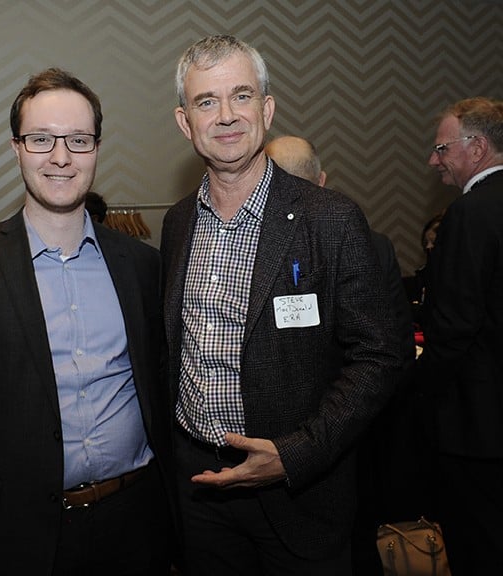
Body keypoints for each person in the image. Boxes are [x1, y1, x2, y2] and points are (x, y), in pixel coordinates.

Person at [0, 67, 173, 576]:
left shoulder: (141, 265)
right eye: (41, 139)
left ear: (96, 148)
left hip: (137, 520)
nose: (60, 157)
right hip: (19, 530)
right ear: (16, 148)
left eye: (78, 139)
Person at [161, 35, 401, 575]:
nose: (226, 115)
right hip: (200, 491)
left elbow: (380, 357)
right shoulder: (177, 223)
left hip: (301, 494)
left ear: (266, 110)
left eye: (241, 96)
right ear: (185, 122)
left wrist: (296, 454)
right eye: (206, 101)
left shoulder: (330, 218)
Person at [267, 135, 420, 574]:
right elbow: (397, 348)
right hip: (342, 430)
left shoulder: (368, 242)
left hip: (334, 436)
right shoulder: (375, 241)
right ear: (323, 180)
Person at [422, 96, 503, 574]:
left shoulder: (470, 214)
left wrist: (421, 392)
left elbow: (453, 326)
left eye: (442, 148)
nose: (434, 161)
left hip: (479, 428)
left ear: (476, 148)